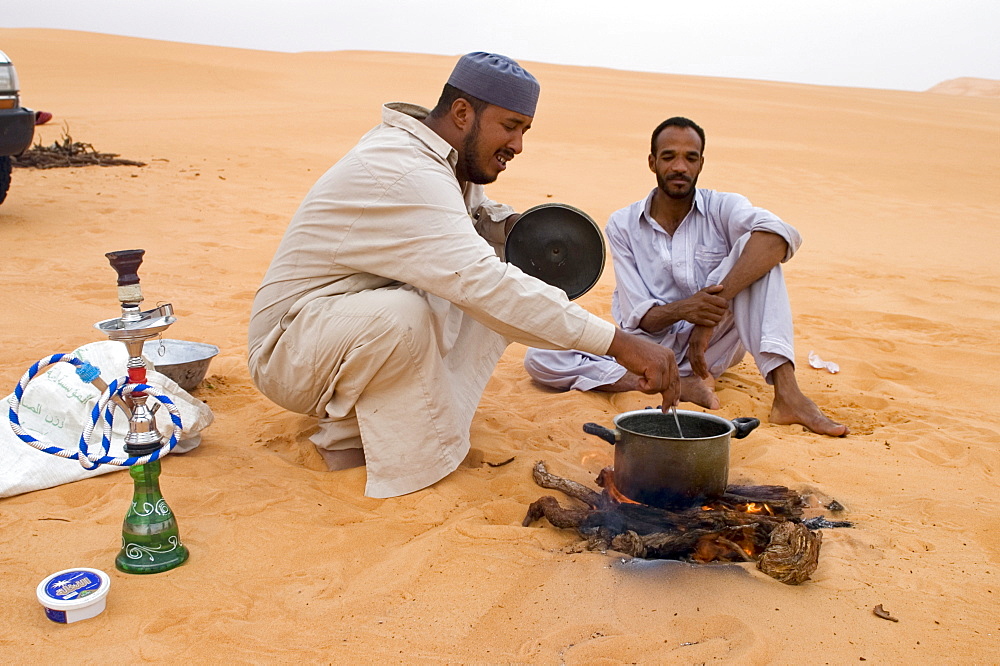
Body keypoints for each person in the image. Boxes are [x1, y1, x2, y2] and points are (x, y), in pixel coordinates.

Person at [247, 53, 681, 499]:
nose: (518, 145)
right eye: (510, 126)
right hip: (287, 354)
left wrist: (515, 229)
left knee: (487, 281)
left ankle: (382, 428)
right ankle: (404, 462)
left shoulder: (446, 162)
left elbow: (471, 230)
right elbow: (482, 281)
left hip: (334, 331)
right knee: (414, 311)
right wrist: (618, 343)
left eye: (525, 131)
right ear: (462, 113)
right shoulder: (404, 167)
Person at [524, 117, 847, 437]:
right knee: (541, 357)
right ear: (653, 162)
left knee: (759, 252)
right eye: (669, 157)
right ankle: (680, 386)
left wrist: (707, 314)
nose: (680, 166)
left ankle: (788, 394)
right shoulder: (623, 224)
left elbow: (779, 236)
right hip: (648, 350)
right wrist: (685, 310)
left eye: (690, 158)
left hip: (711, 347)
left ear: (701, 163)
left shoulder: (724, 207)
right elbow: (643, 319)